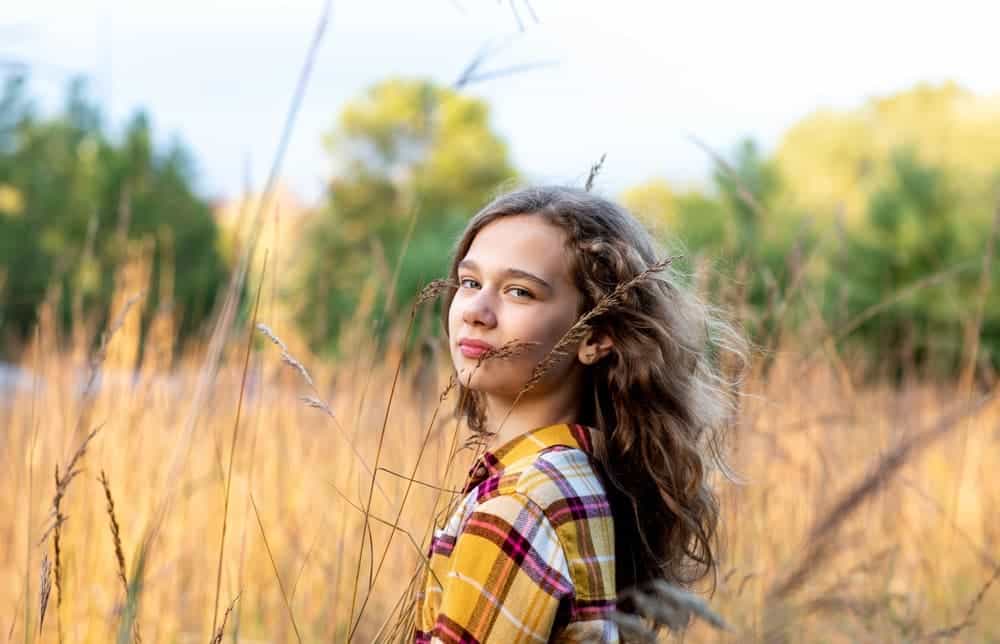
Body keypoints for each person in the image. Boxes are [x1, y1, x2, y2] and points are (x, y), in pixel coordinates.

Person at [413, 185, 748, 643]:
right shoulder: (579, 474)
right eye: (470, 282)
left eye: (519, 291)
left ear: (596, 338)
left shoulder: (518, 506)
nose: (476, 311)